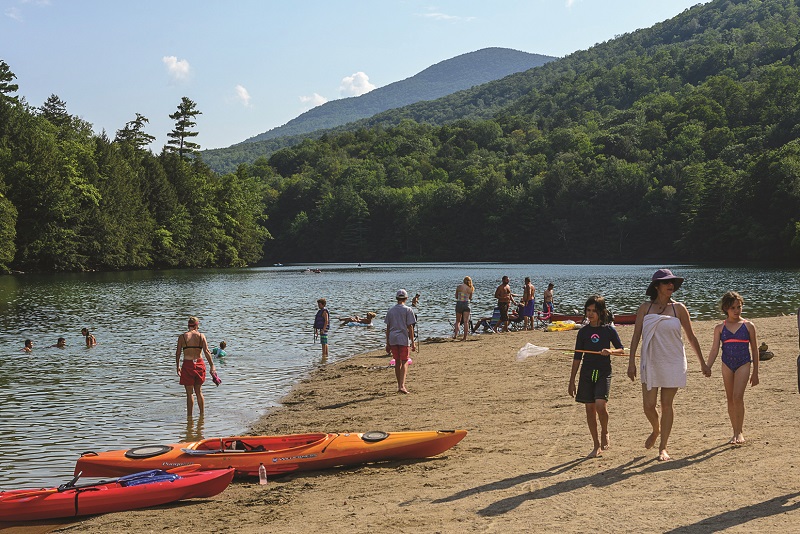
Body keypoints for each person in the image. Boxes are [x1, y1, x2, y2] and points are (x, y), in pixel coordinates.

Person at [627, 269, 709, 462]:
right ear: (657, 286)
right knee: (648, 405)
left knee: (666, 404)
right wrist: (631, 362)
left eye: (672, 282)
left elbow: (691, 336)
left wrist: (703, 363)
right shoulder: (645, 308)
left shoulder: (678, 308)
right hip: (651, 361)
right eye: (666, 282)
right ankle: (656, 429)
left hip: (673, 361)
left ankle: (663, 447)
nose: (671, 285)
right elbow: (636, 336)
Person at [568, 295, 626, 458]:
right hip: (586, 373)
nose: (591, 314)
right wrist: (572, 380)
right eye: (588, 310)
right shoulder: (583, 332)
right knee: (589, 409)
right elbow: (577, 357)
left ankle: (605, 431)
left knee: (601, 406)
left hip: (603, 372)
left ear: (601, 312)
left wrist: (611, 352)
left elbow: (621, 349)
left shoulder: (608, 330)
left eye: (594, 311)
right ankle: (596, 445)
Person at [706, 291, 759, 444]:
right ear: (725, 309)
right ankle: (734, 432)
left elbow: (754, 349)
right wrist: (708, 366)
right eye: (733, 308)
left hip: (744, 363)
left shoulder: (748, 326)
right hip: (726, 364)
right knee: (730, 399)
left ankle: (740, 431)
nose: (736, 311)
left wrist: (755, 372)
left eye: (739, 307)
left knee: (738, 397)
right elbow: (715, 349)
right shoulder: (720, 328)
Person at [175, 316, 217, 417]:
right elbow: (206, 351)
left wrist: (177, 366)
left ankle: (189, 418)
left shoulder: (182, 337)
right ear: (197, 325)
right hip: (199, 364)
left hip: (187, 364)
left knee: (189, 393)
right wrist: (212, 366)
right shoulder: (201, 336)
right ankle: (202, 415)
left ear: (188, 325)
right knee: (199, 391)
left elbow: (178, 353)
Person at [385, 289, 416, 393]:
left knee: (397, 361)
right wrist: (413, 342)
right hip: (403, 338)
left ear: (396, 298)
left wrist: (387, 343)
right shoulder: (408, 310)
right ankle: (402, 385)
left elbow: (388, 328)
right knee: (405, 361)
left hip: (393, 338)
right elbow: (410, 327)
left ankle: (399, 385)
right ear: (406, 298)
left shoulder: (391, 310)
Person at [452, 276, 474, 341]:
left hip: (459, 303)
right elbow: (470, 298)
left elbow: (456, 296)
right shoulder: (470, 288)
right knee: (466, 322)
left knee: (458, 321)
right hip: (466, 304)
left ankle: (455, 335)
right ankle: (465, 337)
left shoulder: (459, 287)